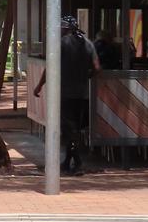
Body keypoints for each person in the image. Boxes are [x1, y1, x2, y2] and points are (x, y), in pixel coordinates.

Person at [33, 15, 100, 175]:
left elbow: (50, 67)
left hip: (65, 93)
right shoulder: (89, 44)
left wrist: (40, 85)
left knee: (69, 129)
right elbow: (97, 68)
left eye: (61, 27)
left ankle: (77, 162)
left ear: (65, 28)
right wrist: (86, 77)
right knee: (74, 128)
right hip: (83, 94)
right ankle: (67, 162)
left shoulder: (61, 44)